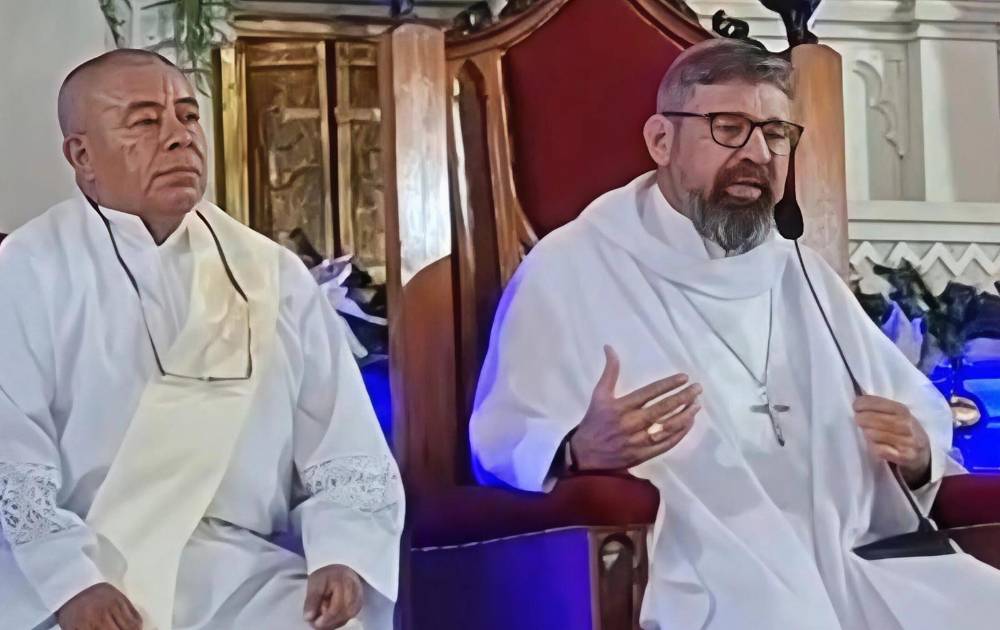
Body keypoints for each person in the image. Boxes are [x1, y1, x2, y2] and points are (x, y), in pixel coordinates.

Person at [470, 38, 1000, 629]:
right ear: (661, 141)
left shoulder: (799, 269)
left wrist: (917, 451)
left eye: (776, 134)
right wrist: (575, 449)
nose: (758, 153)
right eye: (728, 128)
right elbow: (506, 437)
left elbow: (912, 415)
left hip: (850, 560)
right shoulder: (571, 267)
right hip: (694, 565)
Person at [0, 49, 403, 630]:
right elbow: (11, 454)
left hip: (238, 570)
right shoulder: (28, 270)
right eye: (145, 121)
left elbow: (342, 443)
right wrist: (69, 583)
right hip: (87, 564)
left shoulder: (270, 274)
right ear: (82, 156)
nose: (179, 137)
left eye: (188, 116)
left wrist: (343, 553)